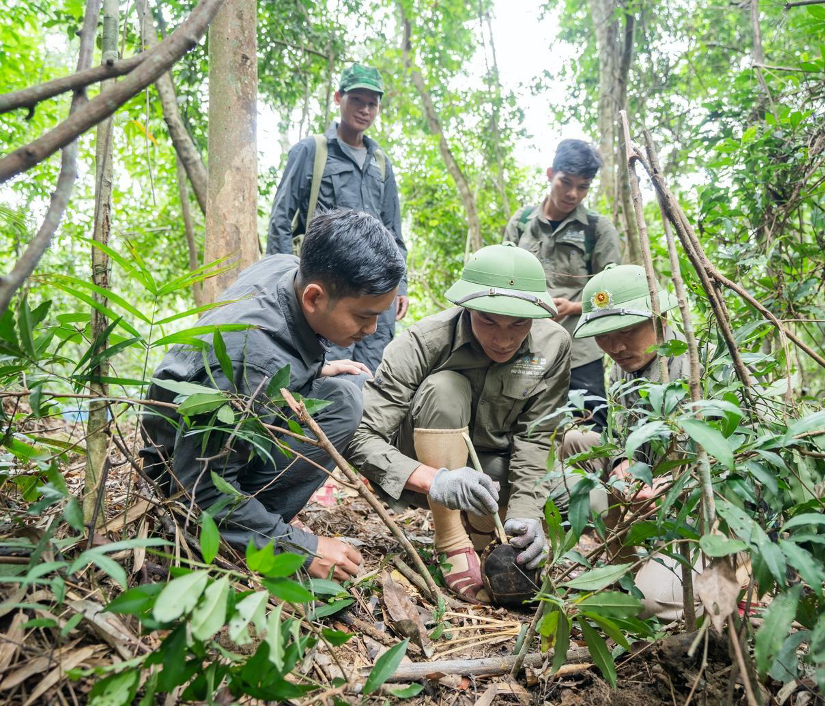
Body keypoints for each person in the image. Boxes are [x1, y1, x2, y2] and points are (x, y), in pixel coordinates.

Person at [140, 210, 405, 580]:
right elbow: (197, 493)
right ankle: (248, 540)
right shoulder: (253, 365)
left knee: (348, 391)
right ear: (314, 297)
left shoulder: (285, 267)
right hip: (177, 473)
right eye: (362, 316)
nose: (372, 328)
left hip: (222, 420)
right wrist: (299, 546)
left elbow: (279, 340)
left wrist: (313, 368)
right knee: (344, 405)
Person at [346, 243, 571, 603]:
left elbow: (538, 436)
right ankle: (451, 538)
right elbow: (360, 435)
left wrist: (527, 515)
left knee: (577, 492)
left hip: (496, 464)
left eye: (518, 324)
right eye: (488, 321)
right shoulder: (424, 341)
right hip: (423, 467)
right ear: (466, 308)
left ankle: (485, 534)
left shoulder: (554, 345)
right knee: (444, 386)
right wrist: (436, 479)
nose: (503, 339)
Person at [560, 263, 695, 620]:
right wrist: (622, 463)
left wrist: (672, 486)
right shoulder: (625, 364)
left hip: (703, 509)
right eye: (604, 335)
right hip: (649, 484)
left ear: (661, 318)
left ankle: (736, 578)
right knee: (573, 441)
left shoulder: (699, 365)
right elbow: (625, 437)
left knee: (649, 604)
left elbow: (739, 464)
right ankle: (625, 564)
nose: (616, 346)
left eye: (630, 330)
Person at [266, 62, 408, 373]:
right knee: (319, 373)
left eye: (372, 103)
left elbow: (393, 231)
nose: (365, 109)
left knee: (371, 376)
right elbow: (280, 217)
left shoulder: (381, 163)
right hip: (330, 292)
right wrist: (278, 280)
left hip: (374, 294)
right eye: (356, 99)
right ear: (338, 98)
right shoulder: (311, 151)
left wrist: (402, 287)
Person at [504, 139, 621, 430]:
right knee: (522, 423)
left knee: (591, 425)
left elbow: (613, 292)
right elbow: (503, 279)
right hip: (526, 344)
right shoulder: (522, 223)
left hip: (581, 349)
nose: (572, 194)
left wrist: (575, 306)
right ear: (549, 174)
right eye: (565, 182)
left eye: (583, 186)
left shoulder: (598, 229)